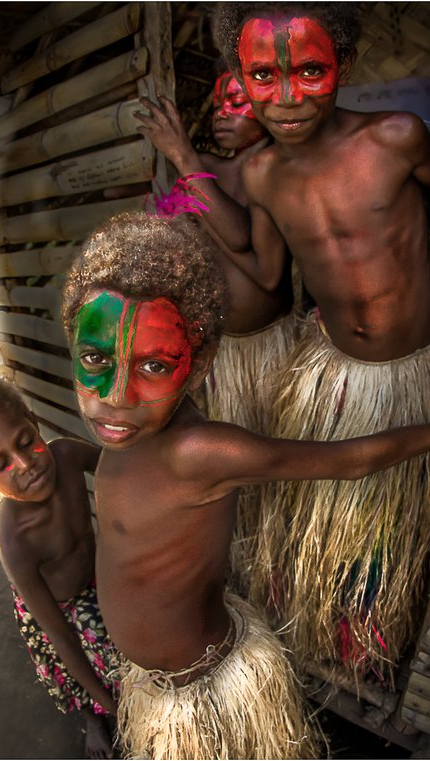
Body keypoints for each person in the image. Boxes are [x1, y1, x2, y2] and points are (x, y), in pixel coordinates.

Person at [61, 212, 430, 759]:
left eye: (153, 366)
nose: (116, 394)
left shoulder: (199, 453)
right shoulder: (123, 436)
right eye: (94, 359)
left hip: (207, 693)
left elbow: (349, 461)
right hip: (159, 687)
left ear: (198, 366)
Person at [210, 2, 430, 685]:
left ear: (345, 67)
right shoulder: (264, 175)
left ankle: (382, 630)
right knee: (323, 519)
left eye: (310, 70)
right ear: (241, 73)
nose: (290, 96)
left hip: (413, 372)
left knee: (396, 521)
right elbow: (273, 273)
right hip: (335, 379)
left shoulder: (396, 137)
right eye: (264, 75)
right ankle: (335, 633)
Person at [135, 70, 296, 587]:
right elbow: (170, 226)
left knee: (282, 462)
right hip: (224, 357)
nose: (223, 112)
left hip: (272, 350)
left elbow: (242, 235)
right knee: (238, 475)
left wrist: (183, 158)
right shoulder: (203, 170)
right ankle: (252, 574)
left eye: (238, 102)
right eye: (219, 101)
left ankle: (291, 563)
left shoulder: (271, 170)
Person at [0, 376, 119, 759]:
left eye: (25, 442)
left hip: (100, 573)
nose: (25, 464)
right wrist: (113, 705)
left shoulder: (66, 455)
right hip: (60, 612)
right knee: (78, 671)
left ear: (34, 422)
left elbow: (122, 469)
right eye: (0, 465)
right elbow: (60, 637)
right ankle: (93, 719)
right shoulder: (14, 540)